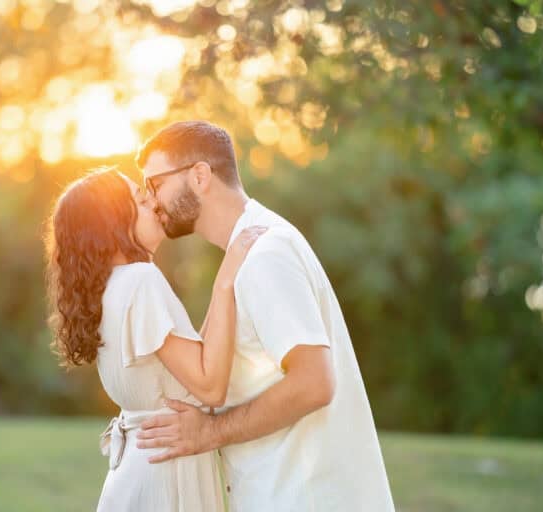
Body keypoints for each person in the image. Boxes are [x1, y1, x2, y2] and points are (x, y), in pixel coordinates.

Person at [135, 120, 395, 511]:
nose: (153, 201)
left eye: (155, 184)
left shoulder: (265, 254)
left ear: (200, 176)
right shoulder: (248, 254)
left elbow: (315, 382)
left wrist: (210, 433)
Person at [44, 166, 265, 511]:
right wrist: (225, 281)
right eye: (140, 199)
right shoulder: (140, 281)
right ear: (114, 223)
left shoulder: (112, 287)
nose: (154, 202)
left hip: (141, 470)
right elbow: (209, 387)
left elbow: (190, 368)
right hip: (165, 475)